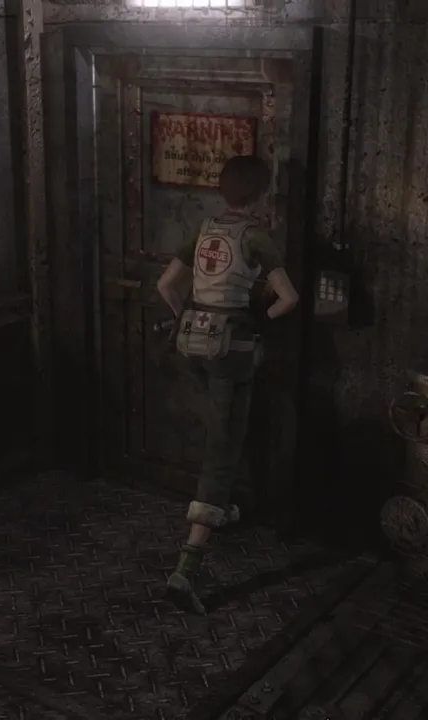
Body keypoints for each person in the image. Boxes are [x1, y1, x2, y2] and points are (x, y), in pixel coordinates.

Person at [155, 154, 300, 614]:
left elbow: (166, 286)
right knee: (222, 447)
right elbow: (289, 298)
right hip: (231, 353)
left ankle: (226, 508)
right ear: (262, 195)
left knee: (225, 430)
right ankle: (186, 570)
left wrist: (186, 316)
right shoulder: (255, 237)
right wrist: (258, 319)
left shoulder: (204, 229)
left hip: (192, 346)